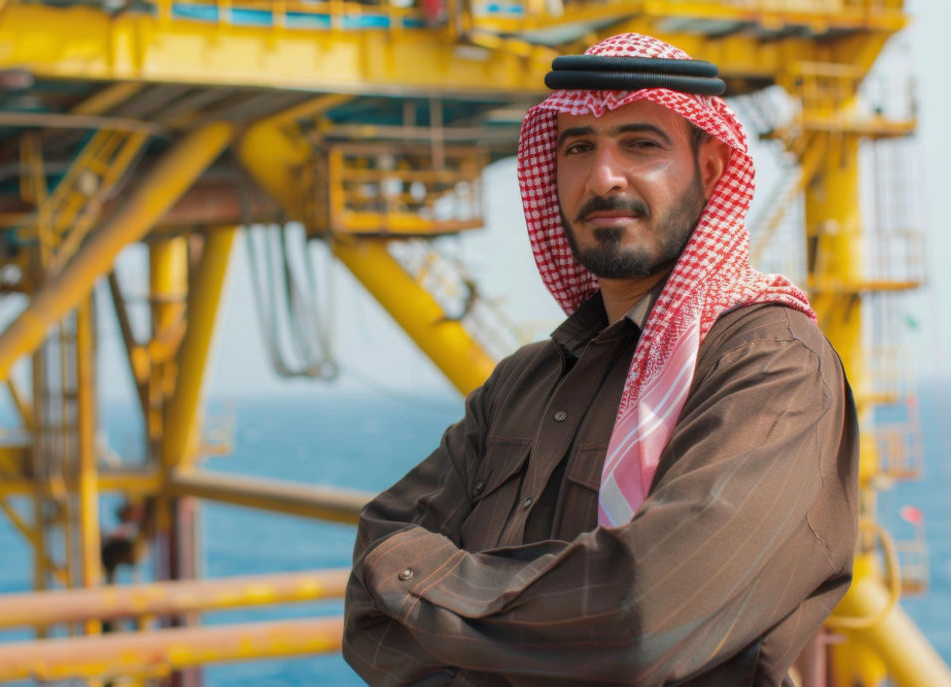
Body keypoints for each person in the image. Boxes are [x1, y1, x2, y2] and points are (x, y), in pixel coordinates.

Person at [343, 33, 858, 686]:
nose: (603, 176)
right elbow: (371, 582)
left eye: (641, 144)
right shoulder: (524, 380)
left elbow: (644, 613)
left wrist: (424, 592)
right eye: (578, 147)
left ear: (711, 170)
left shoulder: (770, 362)